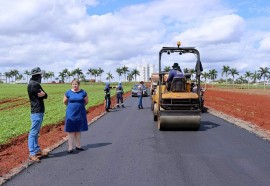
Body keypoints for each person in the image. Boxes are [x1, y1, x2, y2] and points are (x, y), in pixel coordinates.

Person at [27, 67, 48, 162]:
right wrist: (44, 95)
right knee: (33, 132)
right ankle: (32, 153)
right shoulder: (34, 85)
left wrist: (44, 95)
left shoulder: (34, 84)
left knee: (36, 132)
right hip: (37, 111)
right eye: (40, 75)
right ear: (36, 76)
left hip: (38, 110)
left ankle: (37, 150)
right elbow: (44, 95)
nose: (41, 77)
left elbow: (45, 95)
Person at [63, 79, 88, 153]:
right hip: (70, 113)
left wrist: (80, 106)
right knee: (70, 130)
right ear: (71, 85)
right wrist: (71, 106)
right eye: (73, 84)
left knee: (78, 130)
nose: (75, 86)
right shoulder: (68, 92)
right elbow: (64, 101)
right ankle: (70, 148)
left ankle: (78, 146)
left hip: (80, 113)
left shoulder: (83, 92)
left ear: (78, 84)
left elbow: (86, 101)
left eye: (76, 84)